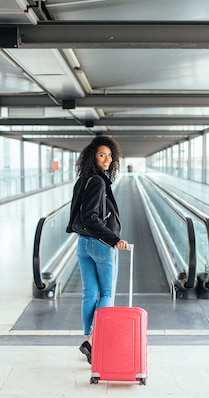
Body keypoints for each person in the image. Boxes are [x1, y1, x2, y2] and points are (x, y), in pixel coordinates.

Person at [66, 135, 130, 364]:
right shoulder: (98, 181)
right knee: (107, 294)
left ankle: (89, 341)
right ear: (93, 156)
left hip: (83, 244)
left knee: (90, 294)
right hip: (101, 245)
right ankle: (93, 341)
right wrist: (113, 239)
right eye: (102, 155)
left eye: (110, 155)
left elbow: (78, 215)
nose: (107, 159)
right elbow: (91, 217)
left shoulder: (82, 180)